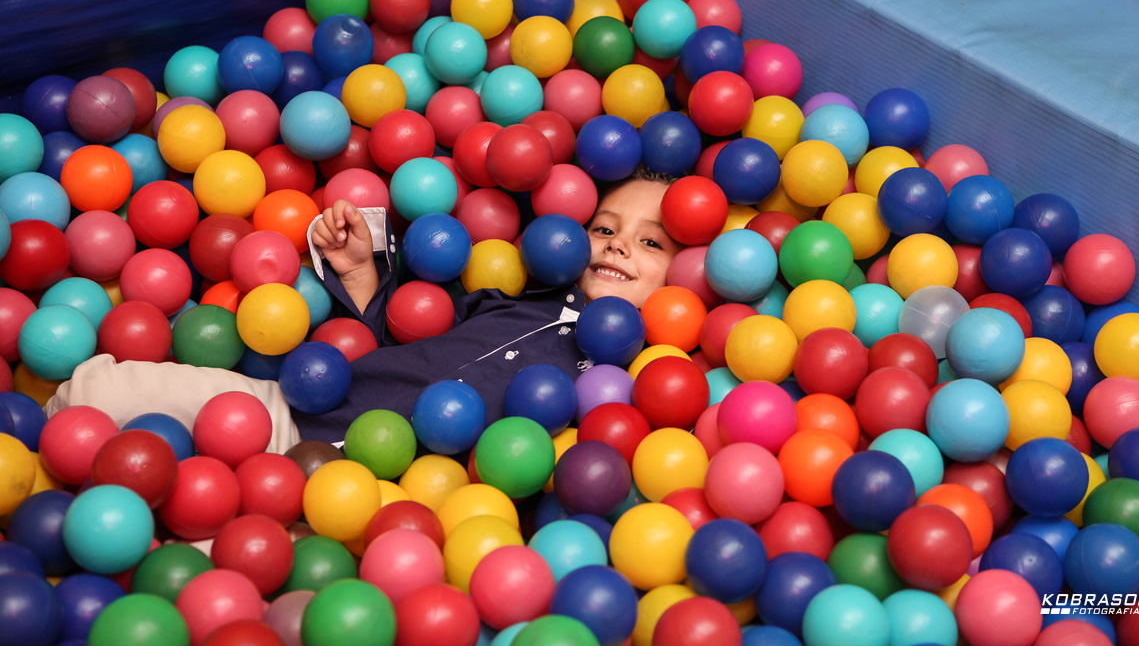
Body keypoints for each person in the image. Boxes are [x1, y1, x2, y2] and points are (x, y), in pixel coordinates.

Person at [46, 167, 681, 448]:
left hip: (368, 499)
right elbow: (403, 327)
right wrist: (357, 267)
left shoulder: (631, 384)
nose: (620, 244)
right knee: (96, 390)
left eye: (650, 242)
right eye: (604, 228)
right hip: (295, 412)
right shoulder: (512, 298)